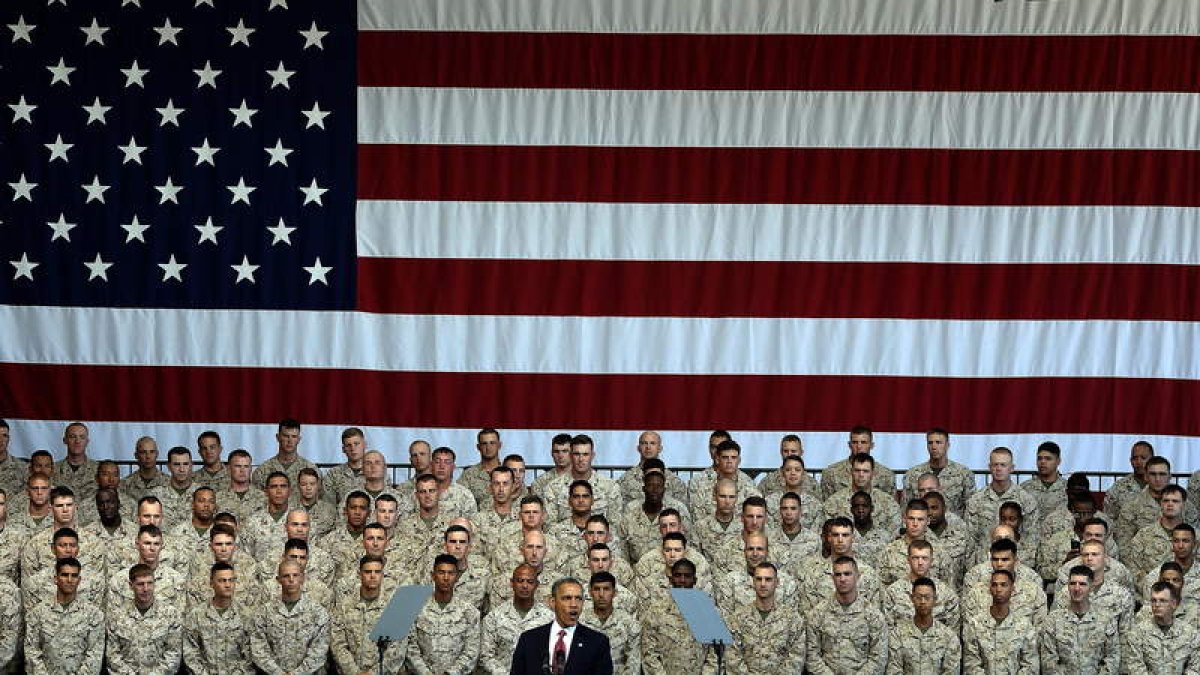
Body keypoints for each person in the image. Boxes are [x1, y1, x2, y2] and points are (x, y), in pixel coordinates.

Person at [511, 575, 613, 675]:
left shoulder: (598, 643)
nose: (574, 604)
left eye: (578, 598)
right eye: (567, 598)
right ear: (552, 602)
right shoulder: (528, 639)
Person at [806, 556, 888, 674]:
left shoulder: (874, 616)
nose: (842, 579)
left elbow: (878, 659)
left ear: (857, 576)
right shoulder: (817, 614)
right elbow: (812, 656)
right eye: (838, 574)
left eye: (847, 574)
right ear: (832, 578)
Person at [24, 557, 105, 675]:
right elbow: (32, 651)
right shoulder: (37, 614)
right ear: (56, 579)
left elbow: (94, 655)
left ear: (79, 580)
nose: (69, 579)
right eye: (64, 575)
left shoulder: (94, 615)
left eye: (74, 576)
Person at [250, 558, 330, 674]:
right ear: (278, 580)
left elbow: (319, 650)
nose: (291, 580)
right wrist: (278, 673)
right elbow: (259, 649)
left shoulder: (318, 613)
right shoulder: (264, 613)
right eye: (286, 576)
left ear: (302, 578)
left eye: (295, 575)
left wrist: (297, 673)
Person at [727, 561, 806, 675]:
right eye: (759, 579)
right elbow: (733, 659)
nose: (763, 584)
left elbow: (796, 659)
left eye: (768, 579)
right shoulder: (737, 619)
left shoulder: (793, 620)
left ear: (777, 583)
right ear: (753, 582)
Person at [408, 554, 482, 674]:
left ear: (457, 577)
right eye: (441, 572)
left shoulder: (469, 612)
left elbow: (471, 652)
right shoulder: (416, 609)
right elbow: (411, 649)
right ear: (433, 575)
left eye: (451, 573)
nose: (446, 578)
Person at [1039, 565, 1120, 675]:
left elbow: (1112, 657)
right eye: (1072, 584)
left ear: (1091, 587)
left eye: (1082, 584)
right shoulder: (1053, 621)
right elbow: (1048, 660)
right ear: (1067, 586)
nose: (1077, 589)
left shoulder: (1106, 619)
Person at [331, 554, 404, 675]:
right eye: (368, 572)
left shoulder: (393, 609)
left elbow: (396, 649)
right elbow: (337, 644)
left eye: (377, 572)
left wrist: (374, 673)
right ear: (360, 574)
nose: (373, 576)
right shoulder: (344, 606)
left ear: (382, 575)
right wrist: (354, 672)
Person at [105, 563, 184, 674]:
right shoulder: (117, 616)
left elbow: (173, 654)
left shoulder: (171, 615)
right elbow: (112, 655)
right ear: (130, 585)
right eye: (140, 584)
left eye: (150, 583)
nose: (146, 589)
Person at [479, 564, 555, 675]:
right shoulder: (494, 617)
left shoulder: (549, 618)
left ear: (536, 585)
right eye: (520, 581)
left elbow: (554, 655)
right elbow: (485, 656)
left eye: (530, 582)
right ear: (512, 583)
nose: (524, 586)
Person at [962, 569, 1039, 674]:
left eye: (1004, 585)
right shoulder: (975, 624)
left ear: (1012, 588)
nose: (998, 589)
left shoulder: (1024, 625)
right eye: (994, 585)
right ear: (990, 588)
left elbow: (1030, 665)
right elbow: (971, 664)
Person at [184, 561, 255, 675]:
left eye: (231, 580)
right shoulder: (196, 615)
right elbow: (190, 654)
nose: (228, 585)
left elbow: (251, 655)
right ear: (211, 583)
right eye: (222, 580)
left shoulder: (246, 615)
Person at [886, 577, 960, 675]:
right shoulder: (897, 635)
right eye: (919, 597)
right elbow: (894, 670)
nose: (923, 602)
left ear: (935, 599)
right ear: (912, 599)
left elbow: (951, 672)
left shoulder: (949, 637)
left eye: (927, 597)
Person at [965, 446, 1039, 544]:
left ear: (1012, 468)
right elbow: (970, 539)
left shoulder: (1026, 500)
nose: (998, 469)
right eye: (995, 465)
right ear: (989, 467)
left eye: (1003, 465)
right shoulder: (975, 501)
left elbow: (1031, 538)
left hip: (1015, 557)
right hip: (985, 557)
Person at [1125, 581, 1200, 674]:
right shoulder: (1136, 634)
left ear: (1174, 604)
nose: (1156, 605)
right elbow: (1135, 669)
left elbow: (1195, 669)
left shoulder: (1191, 635)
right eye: (1153, 600)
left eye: (1162, 600)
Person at [579, 571, 641, 675]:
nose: (601, 595)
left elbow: (633, 663)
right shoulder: (579, 622)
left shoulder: (629, 623)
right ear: (590, 592)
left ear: (614, 592)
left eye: (606, 589)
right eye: (597, 589)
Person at [903, 427, 975, 514]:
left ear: (947, 445)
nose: (934, 447)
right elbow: (905, 508)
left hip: (953, 525)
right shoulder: (912, 474)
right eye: (930, 443)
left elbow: (971, 509)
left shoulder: (964, 474)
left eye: (938, 442)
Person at [820, 425, 896, 499]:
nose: (859, 447)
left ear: (871, 445)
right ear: (849, 445)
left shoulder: (886, 475)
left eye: (863, 442)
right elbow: (826, 505)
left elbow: (891, 505)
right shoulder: (831, 473)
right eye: (855, 442)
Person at [616, 431, 689, 504]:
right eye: (644, 443)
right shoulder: (625, 480)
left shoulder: (675, 482)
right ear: (638, 448)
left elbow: (681, 509)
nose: (648, 447)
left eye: (652, 443)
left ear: (660, 448)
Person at [251, 418, 318, 489]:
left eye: (294, 436)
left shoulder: (311, 470)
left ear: (299, 439)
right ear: (278, 437)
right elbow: (257, 498)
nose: (290, 441)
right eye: (286, 436)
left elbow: (318, 498)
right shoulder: (262, 472)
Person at [1106, 440, 1154, 525]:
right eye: (1135, 458)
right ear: (1130, 460)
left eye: (1143, 458)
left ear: (1152, 460)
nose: (1138, 462)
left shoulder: (1161, 486)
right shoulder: (1118, 487)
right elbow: (1108, 519)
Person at [54, 422, 99, 504]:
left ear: (87, 441)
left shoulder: (99, 470)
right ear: (65, 440)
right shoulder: (53, 470)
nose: (77, 441)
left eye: (82, 437)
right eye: (72, 437)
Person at [323, 427, 368, 508]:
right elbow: (328, 507)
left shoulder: (376, 472)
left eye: (356, 444)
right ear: (343, 449)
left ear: (365, 445)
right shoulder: (333, 474)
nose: (353, 448)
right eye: (348, 445)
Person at [459, 427, 504, 505]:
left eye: (492, 443)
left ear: (499, 445)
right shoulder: (469, 475)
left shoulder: (510, 472)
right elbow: (459, 499)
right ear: (478, 447)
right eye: (484, 443)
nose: (488, 447)